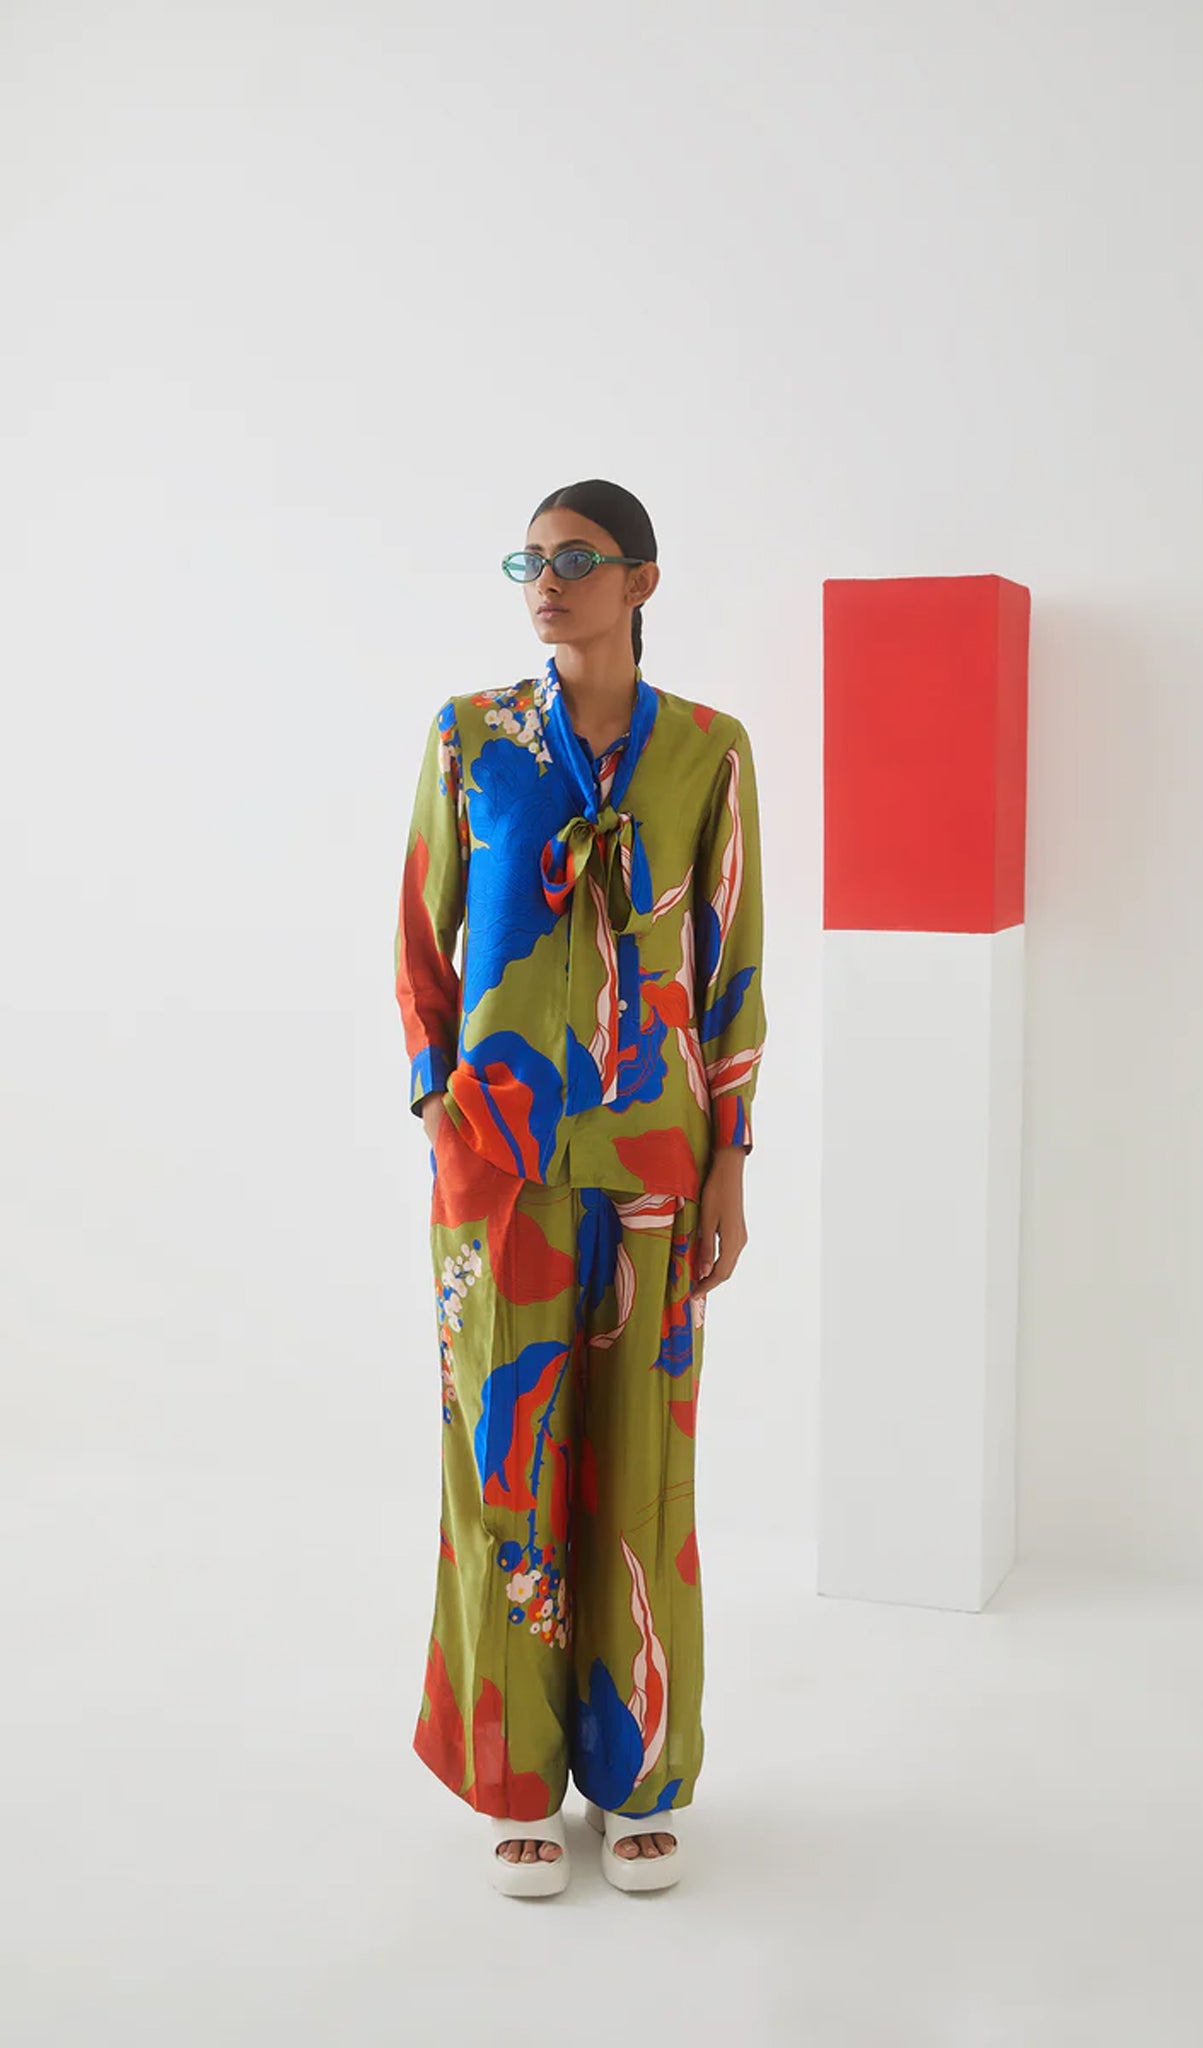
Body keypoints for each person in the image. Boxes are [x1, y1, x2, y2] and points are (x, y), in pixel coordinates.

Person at [394, 479, 766, 1895]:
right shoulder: (468, 737)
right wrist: (439, 1104)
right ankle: (514, 1780)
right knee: (504, 1464)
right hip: (495, 1166)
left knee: (639, 1472)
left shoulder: (709, 753)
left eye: (576, 559)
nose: (545, 582)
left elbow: (730, 964)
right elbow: (422, 938)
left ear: (640, 581)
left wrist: (731, 1154)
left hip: (656, 1163)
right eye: (530, 561)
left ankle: (638, 1777)